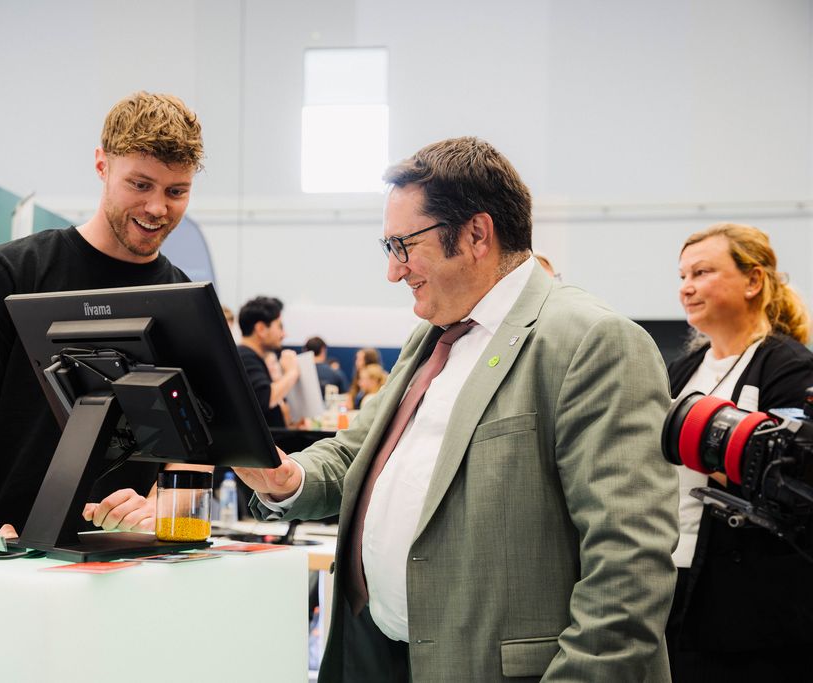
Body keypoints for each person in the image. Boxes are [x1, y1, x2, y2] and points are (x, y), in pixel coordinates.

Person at [235, 136, 678, 682]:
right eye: (387, 248)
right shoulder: (431, 337)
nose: (394, 271)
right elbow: (359, 455)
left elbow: (629, 564)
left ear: (475, 234)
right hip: (380, 655)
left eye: (403, 245)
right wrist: (287, 478)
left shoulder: (591, 341)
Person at [0, 91, 206, 537]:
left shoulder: (185, 301)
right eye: (140, 184)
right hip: (10, 550)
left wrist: (158, 510)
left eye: (176, 192)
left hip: (129, 560)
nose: (156, 208)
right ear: (102, 165)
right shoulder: (12, 272)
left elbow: (195, 449)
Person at [667, 223, 813, 680]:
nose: (687, 288)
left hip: (751, 602)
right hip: (675, 576)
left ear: (753, 281)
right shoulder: (683, 369)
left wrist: (723, 447)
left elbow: (796, 478)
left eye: (702, 272)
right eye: (683, 276)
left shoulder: (789, 365)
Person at [237, 296, 298, 428]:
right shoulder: (246, 357)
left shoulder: (248, 356)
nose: (284, 334)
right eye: (279, 326)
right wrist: (292, 372)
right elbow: (265, 398)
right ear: (261, 329)